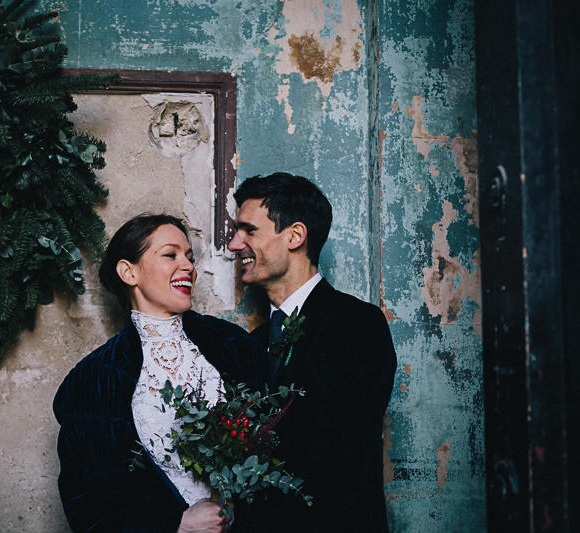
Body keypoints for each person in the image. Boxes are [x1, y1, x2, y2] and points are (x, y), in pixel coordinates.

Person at [53, 214, 265, 533]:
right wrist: (173, 524)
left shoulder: (232, 345)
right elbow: (85, 497)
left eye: (190, 257)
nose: (188, 266)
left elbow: (274, 442)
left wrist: (235, 502)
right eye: (170, 255)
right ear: (129, 272)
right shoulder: (93, 379)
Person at [227, 173, 397, 532]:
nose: (233, 244)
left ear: (295, 236)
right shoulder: (253, 344)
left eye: (249, 231)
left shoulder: (356, 325)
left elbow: (343, 463)